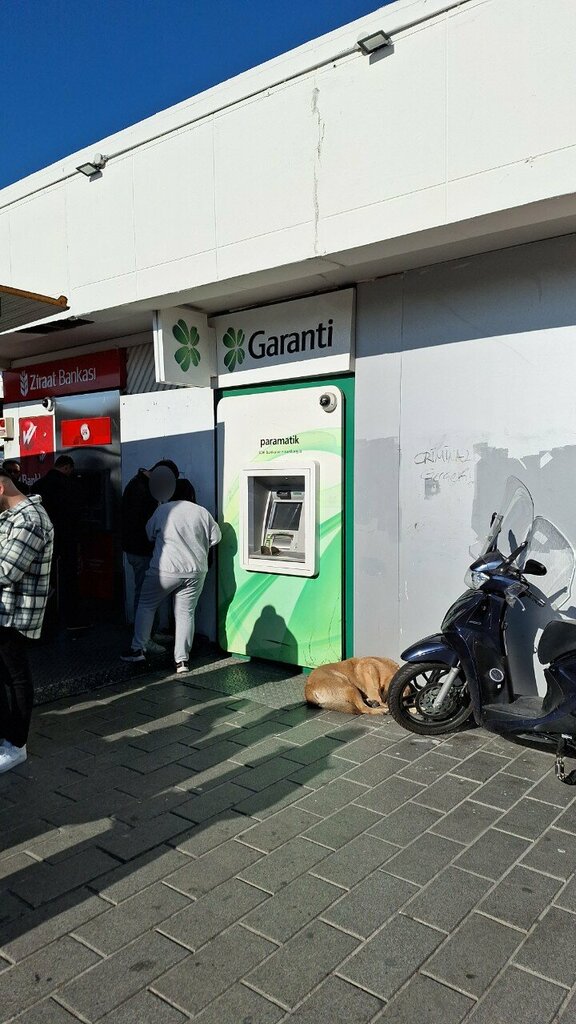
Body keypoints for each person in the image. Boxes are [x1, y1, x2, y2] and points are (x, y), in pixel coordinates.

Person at [121, 479, 220, 673]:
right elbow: (216, 538)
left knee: (147, 605)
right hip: (195, 571)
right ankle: (181, 661)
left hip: (165, 569)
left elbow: (149, 533)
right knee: (185, 613)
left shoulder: (163, 510)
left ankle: (137, 649)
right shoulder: (202, 512)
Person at [0, 471, 53, 773]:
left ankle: (16, 744)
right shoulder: (11, 515)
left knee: (16, 677)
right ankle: (7, 735)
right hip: (3, 610)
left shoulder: (31, 519)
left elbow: (7, 570)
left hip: (13, 613)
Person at [120, 459, 185, 650]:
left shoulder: (139, 484)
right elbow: (146, 524)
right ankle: (143, 640)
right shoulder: (142, 489)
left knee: (146, 593)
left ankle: (150, 634)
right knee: (144, 595)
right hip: (141, 550)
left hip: (136, 549)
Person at [31, 455, 84, 630]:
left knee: (47, 578)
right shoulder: (69, 485)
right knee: (69, 578)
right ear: (68, 467)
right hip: (65, 538)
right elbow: (75, 514)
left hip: (43, 539)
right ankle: (71, 618)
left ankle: (47, 617)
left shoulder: (39, 484)